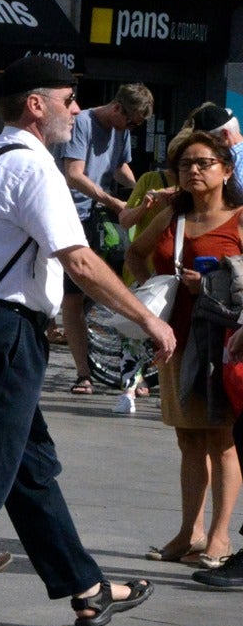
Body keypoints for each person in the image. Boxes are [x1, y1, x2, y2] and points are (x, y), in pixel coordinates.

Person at [0, 56, 173, 626]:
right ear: (37, 105)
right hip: (6, 333)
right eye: (67, 99)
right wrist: (148, 320)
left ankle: (86, 585)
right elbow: (78, 260)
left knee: (27, 468)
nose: (75, 110)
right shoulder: (33, 169)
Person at [126, 131, 242, 570]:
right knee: (188, 437)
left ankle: (220, 535)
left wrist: (213, 285)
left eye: (203, 163)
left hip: (223, 343)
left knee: (222, 439)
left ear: (226, 170)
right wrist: (151, 294)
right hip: (175, 339)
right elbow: (136, 253)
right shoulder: (172, 216)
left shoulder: (239, 218)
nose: (192, 170)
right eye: (184, 164)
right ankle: (189, 531)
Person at [61, 83, 152, 395]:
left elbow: (118, 168)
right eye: (132, 121)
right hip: (73, 214)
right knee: (73, 296)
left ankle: (130, 371)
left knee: (118, 287)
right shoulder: (83, 123)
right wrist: (113, 202)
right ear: (117, 108)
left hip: (100, 218)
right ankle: (83, 374)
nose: (132, 127)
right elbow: (73, 173)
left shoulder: (120, 129)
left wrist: (142, 190)